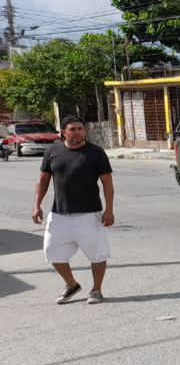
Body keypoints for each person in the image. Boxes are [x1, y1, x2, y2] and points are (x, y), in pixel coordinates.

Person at [32, 115, 115, 305]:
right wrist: (36, 206)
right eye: (72, 129)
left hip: (90, 214)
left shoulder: (95, 153)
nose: (77, 132)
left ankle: (96, 290)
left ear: (85, 131)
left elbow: (107, 183)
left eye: (80, 129)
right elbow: (43, 181)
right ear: (63, 132)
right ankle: (72, 285)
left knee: (97, 253)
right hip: (59, 214)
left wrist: (109, 210)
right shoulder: (53, 151)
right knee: (52, 251)